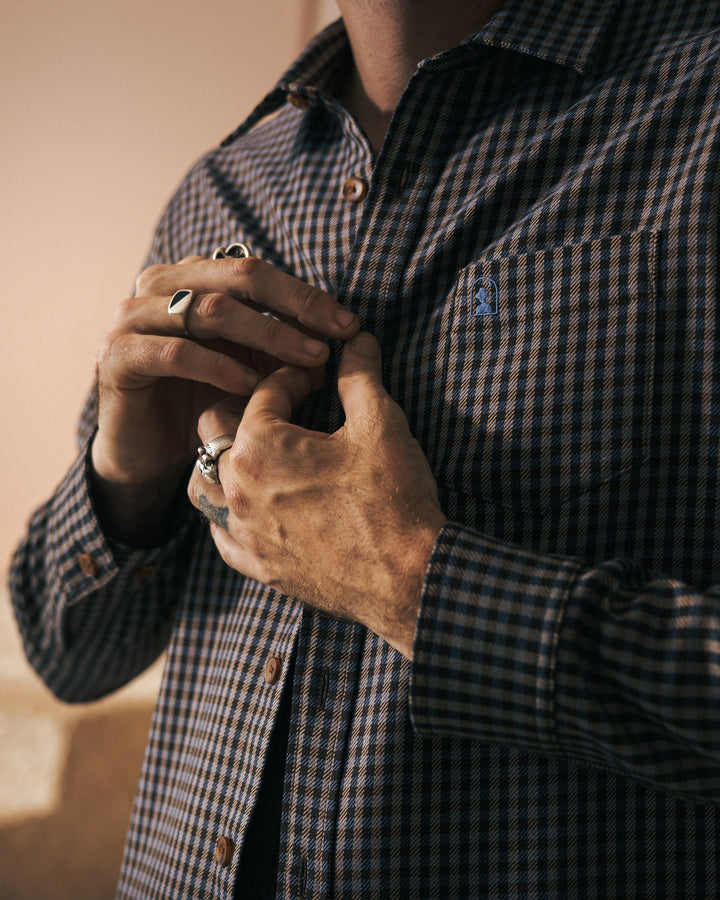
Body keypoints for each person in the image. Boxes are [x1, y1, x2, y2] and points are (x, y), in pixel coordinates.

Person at [10, 0, 720, 895]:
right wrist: (127, 476)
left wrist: (413, 584)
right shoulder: (222, 189)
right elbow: (67, 655)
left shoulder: (701, 110)